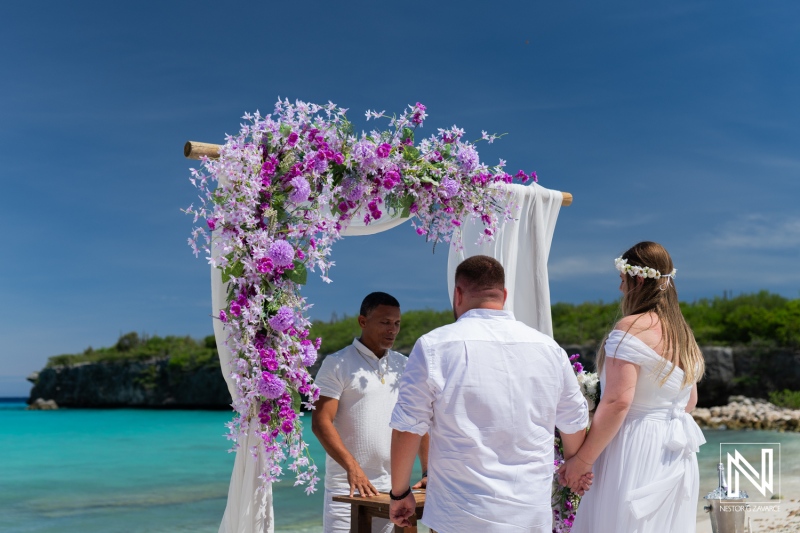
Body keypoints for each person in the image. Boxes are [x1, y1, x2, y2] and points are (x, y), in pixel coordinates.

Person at [388, 255, 591, 533]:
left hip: (459, 515)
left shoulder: (434, 346)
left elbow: (407, 428)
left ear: (457, 294)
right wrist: (574, 467)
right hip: (529, 514)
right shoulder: (549, 349)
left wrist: (399, 493)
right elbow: (575, 422)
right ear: (504, 295)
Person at [562, 241, 706, 533]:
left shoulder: (629, 328)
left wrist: (581, 461)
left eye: (622, 280)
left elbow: (617, 402)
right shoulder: (683, 335)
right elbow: (689, 402)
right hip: (675, 451)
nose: (620, 289)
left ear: (638, 279)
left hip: (634, 446)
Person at [312, 292, 428, 533]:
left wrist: (428, 470)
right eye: (385, 322)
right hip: (348, 491)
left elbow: (419, 420)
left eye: (397, 323)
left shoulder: (404, 365)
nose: (392, 329)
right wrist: (353, 469)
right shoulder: (337, 363)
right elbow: (321, 422)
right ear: (363, 321)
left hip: (396, 491)